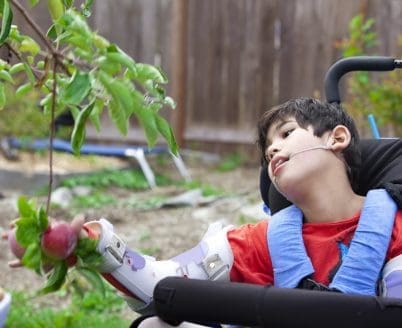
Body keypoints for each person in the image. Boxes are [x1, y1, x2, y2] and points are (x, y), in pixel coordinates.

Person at [6, 98, 402, 327]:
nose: (272, 151)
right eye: (267, 149)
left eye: (286, 134)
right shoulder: (261, 241)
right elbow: (162, 281)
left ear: (337, 138)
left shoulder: (394, 225)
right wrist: (89, 246)